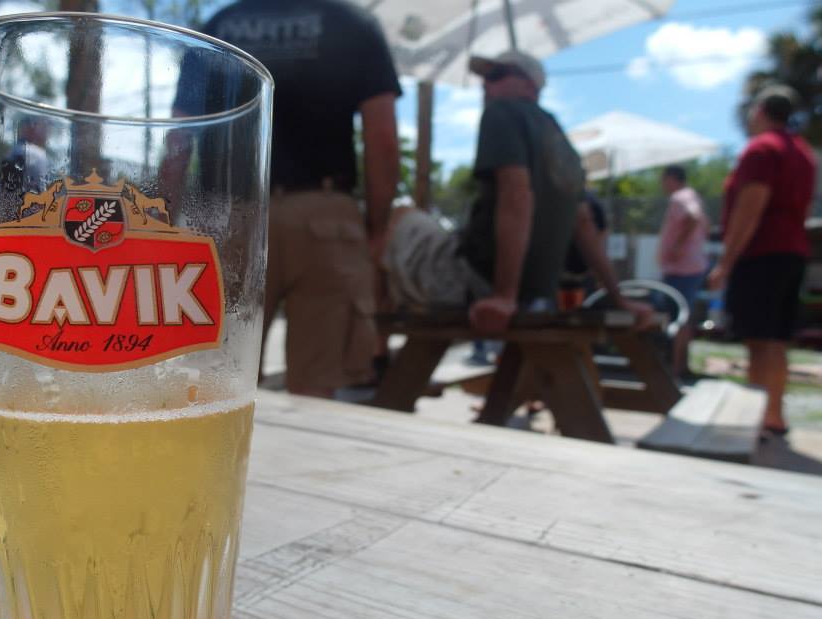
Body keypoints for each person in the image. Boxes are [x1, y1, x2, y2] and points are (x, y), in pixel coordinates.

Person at [200, 0, 401, 398]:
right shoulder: (352, 23)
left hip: (226, 216)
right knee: (316, 385)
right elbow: (382, 137)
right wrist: (377, 227)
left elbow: (179, 133)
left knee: (214, 379)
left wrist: (172, 223)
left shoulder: (221, 24)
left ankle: (216, 458)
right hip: (324, 215)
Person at [384, 51, 653, 330]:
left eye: (497, 75)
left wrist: (504, 296)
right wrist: (619, 299)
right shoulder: (562, 142)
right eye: (486, 78)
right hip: (536, 295)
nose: (487, 84)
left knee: (396, 217)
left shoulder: (502, 112)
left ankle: (373, 351)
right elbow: (584, 225)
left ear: (530, 85)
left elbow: (517, 197)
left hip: (473, 283)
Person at [709, 85, 816, 436]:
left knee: (758, 339)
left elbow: (749, 208)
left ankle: (756, 417)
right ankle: (774, 413)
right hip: (793, 252)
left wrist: (725, 262)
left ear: (760, 112)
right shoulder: (802, 153)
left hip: (762, 253)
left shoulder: (762, 149)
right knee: (777, 338)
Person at [657, 164, 710, 376]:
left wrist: (678, 247)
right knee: (682, 317)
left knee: (678, 317)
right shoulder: (692, 195)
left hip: (683, 269)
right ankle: (680, 364)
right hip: (688, 267)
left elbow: (693, 217)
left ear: (671, 178)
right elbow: (704, 222)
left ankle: (676, 368)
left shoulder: (680, 197)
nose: (662, 185)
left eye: (664, 179)